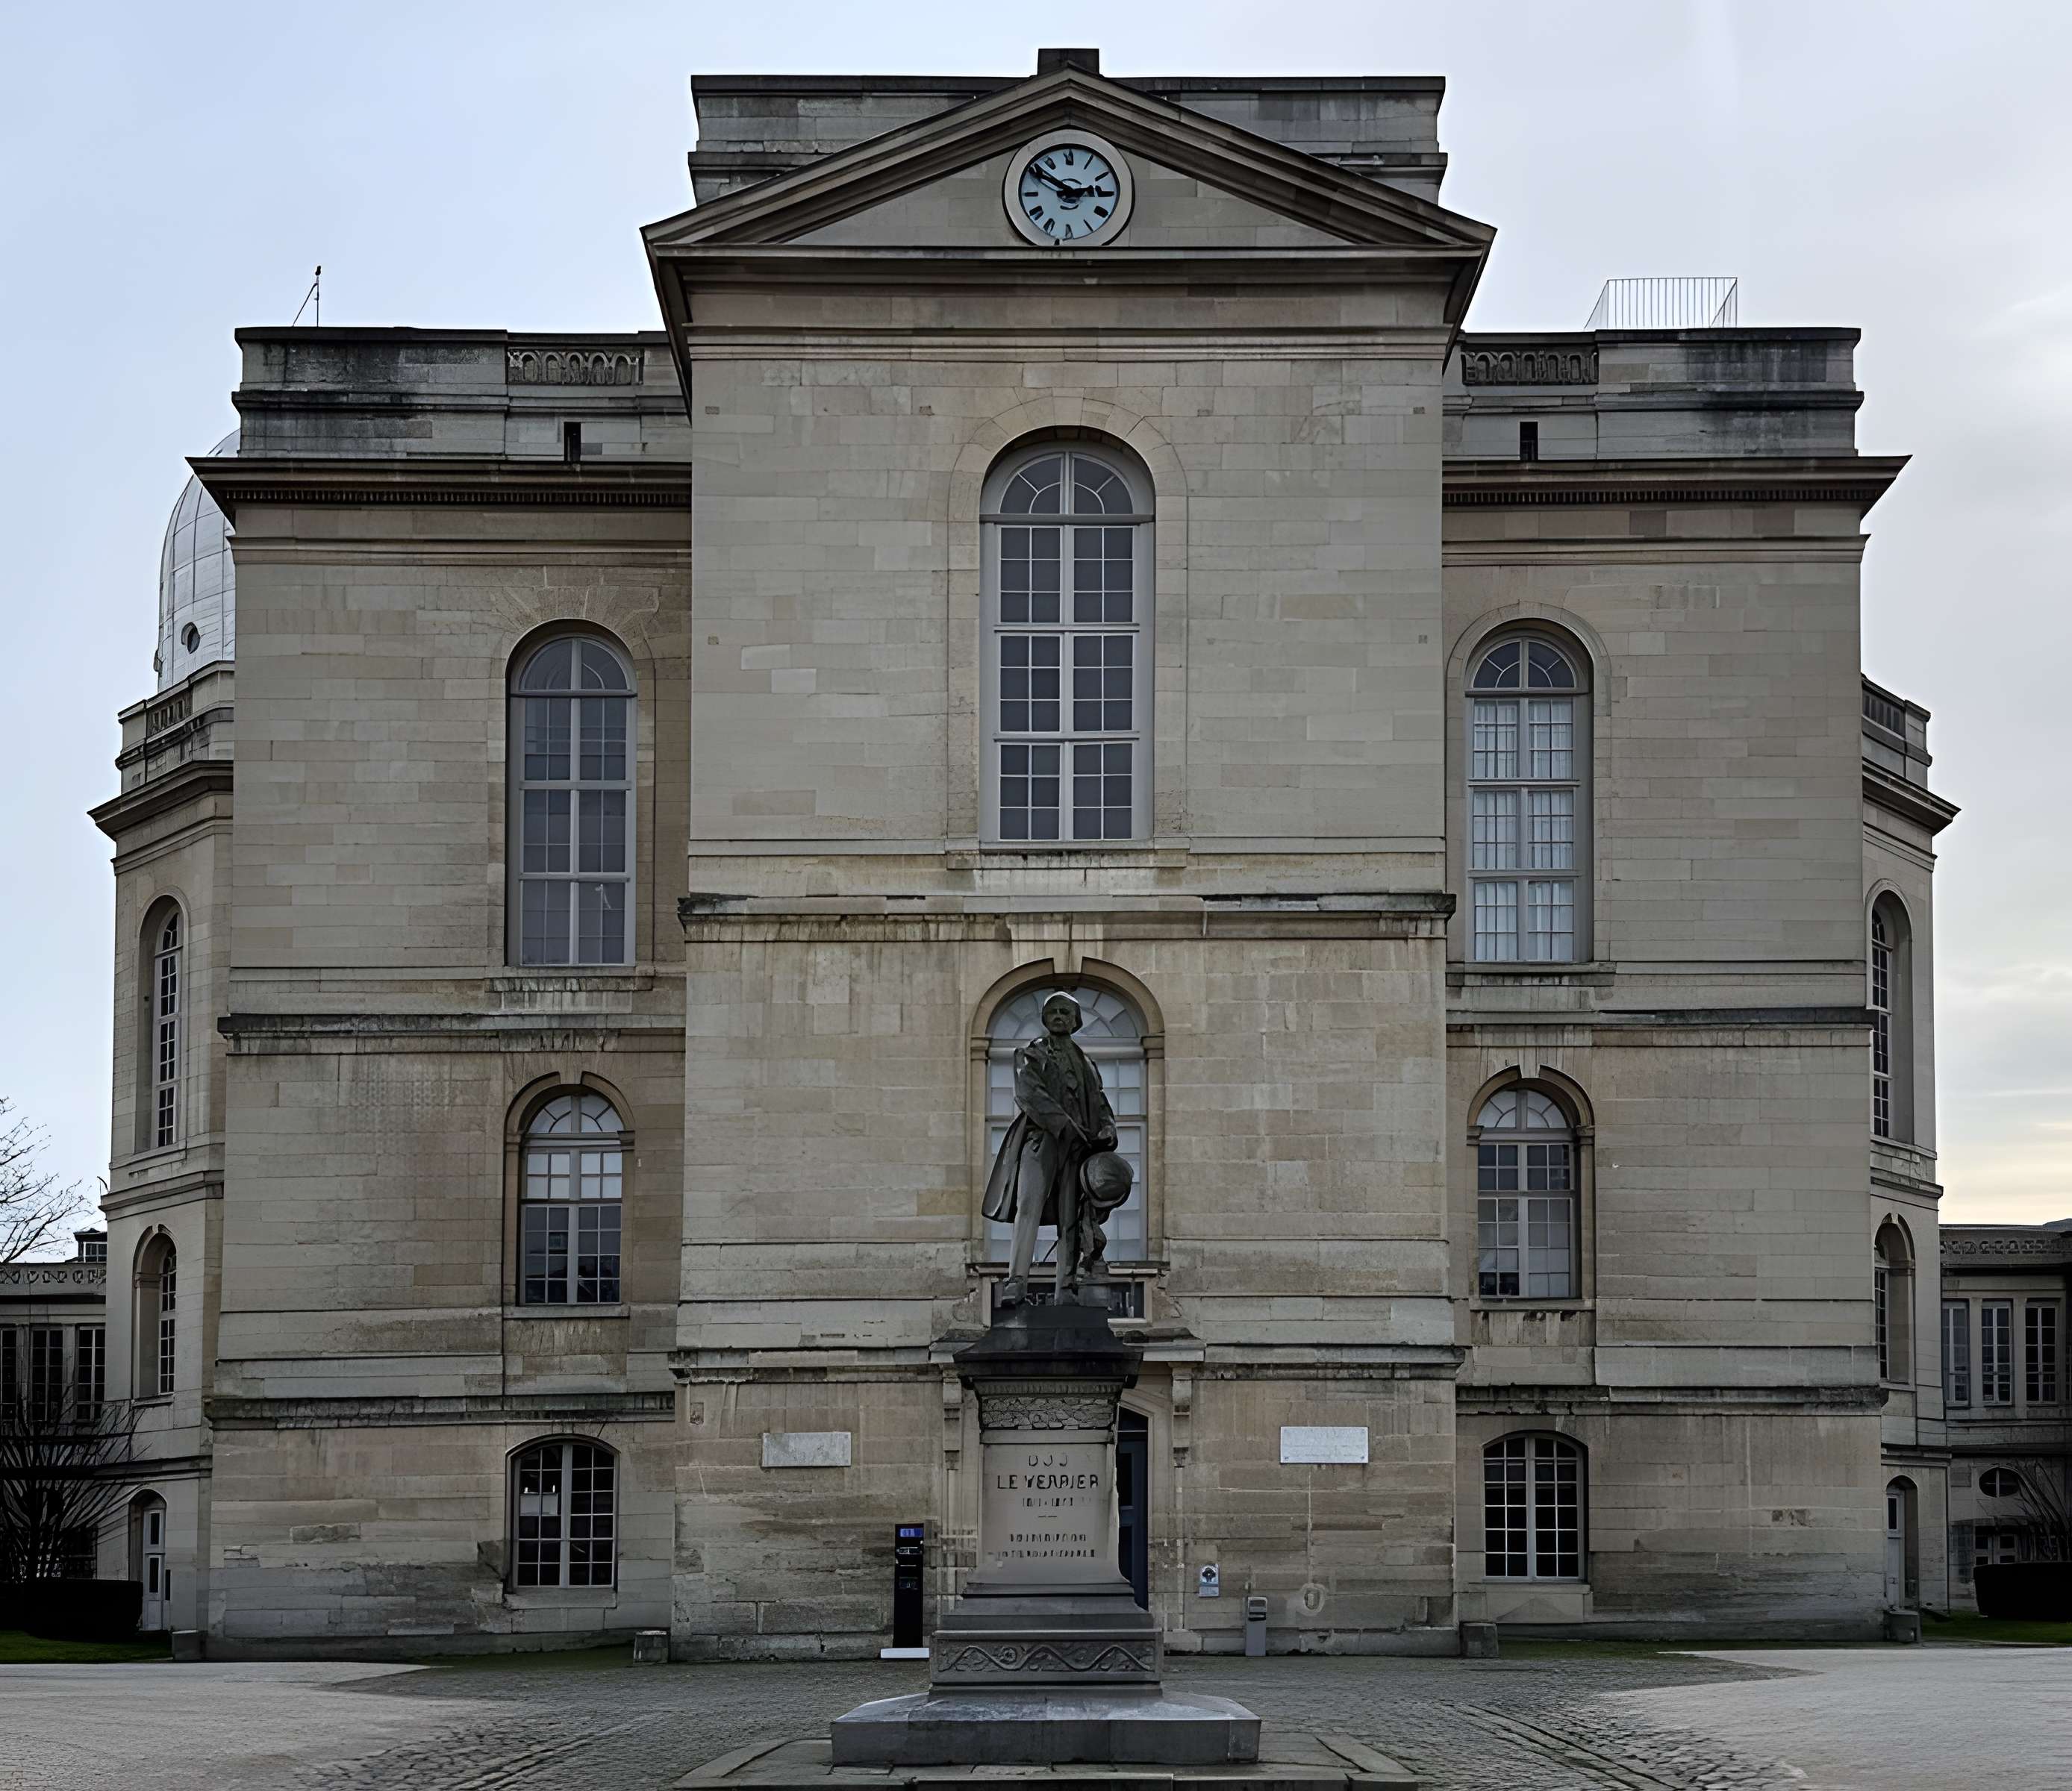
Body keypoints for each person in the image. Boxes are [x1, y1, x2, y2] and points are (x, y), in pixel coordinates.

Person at [982, 993, 1119, 1305]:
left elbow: (1100, 1103)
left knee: (1071, 1216)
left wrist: (1108, 1128)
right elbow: (1031, 1094)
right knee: (1028, 1206)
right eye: (1053, 1012)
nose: (1059, 1017)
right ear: (1045, 1020)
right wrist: (1068, 1127)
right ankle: (1016, 1281)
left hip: (1078, 1151)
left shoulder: (1087, 1064)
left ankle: (1067, 1288)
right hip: (1041, 1141)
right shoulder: (1031, 1055)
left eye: (1066, 1012)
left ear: (1075, 1020)